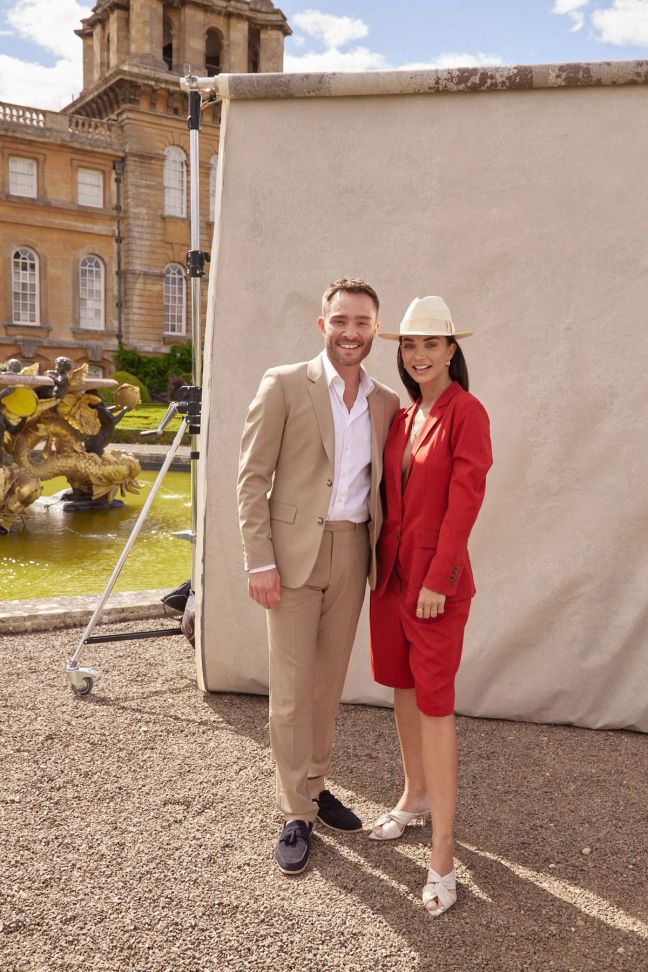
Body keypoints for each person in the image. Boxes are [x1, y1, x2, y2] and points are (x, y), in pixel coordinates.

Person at [237, 278, 400, 875]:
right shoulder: (284, 384)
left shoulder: (386, 402)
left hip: (353, 551)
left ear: (375, 329)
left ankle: (315, 783)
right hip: (291, 556)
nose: (350, 333)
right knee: (290, 690)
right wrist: (260, 560)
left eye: (362, 322)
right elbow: (252, 478)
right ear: (322, 323)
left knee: (327, 686)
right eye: (340, 321)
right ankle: (295, 812)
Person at [368, 295, 492, 916]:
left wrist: (439, 579)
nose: (419, 355)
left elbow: (466, 501)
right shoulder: (403, 416)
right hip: (391, 579)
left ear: (450, 350)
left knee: (435, 704)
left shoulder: (467, 412)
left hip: (436, 587)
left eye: (430, 344)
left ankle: (443, 854)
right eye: (409, 345)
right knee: (403, 687)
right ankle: (414, 796)